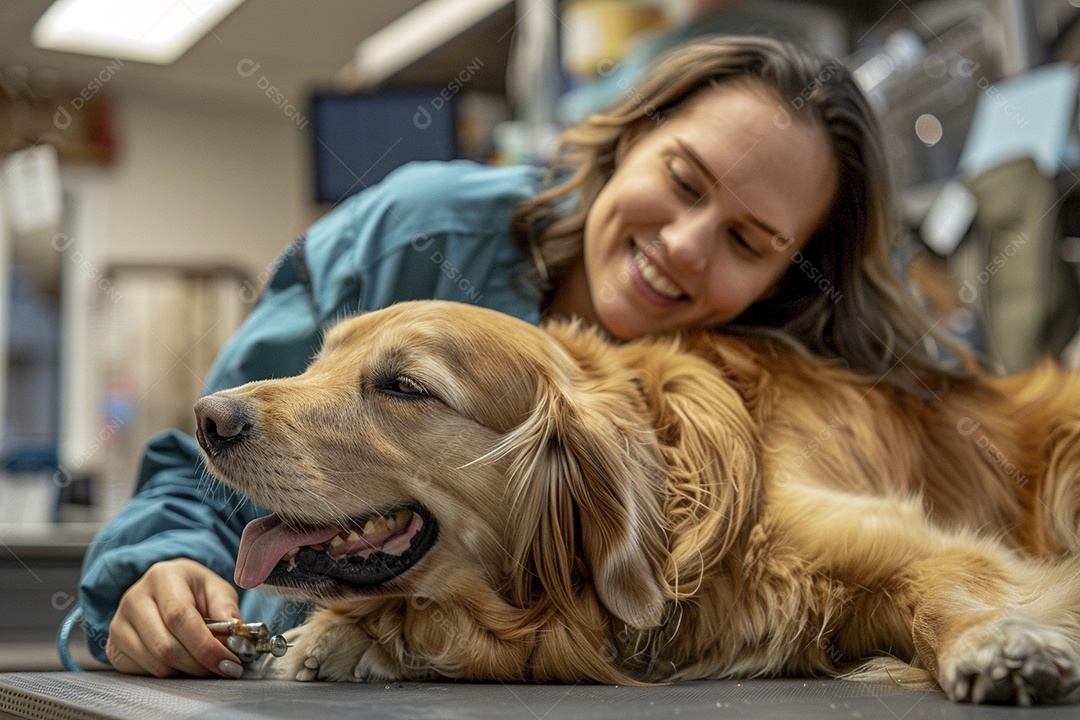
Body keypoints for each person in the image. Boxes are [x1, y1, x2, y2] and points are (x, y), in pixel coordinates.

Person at [61, 35, 966, 680]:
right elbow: (211, 457)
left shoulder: (743, 390)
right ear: (628, 138)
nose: (685, 245)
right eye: (683, 181)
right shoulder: (417, 231)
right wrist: (163, 575)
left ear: (785, 280)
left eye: (749, 239)